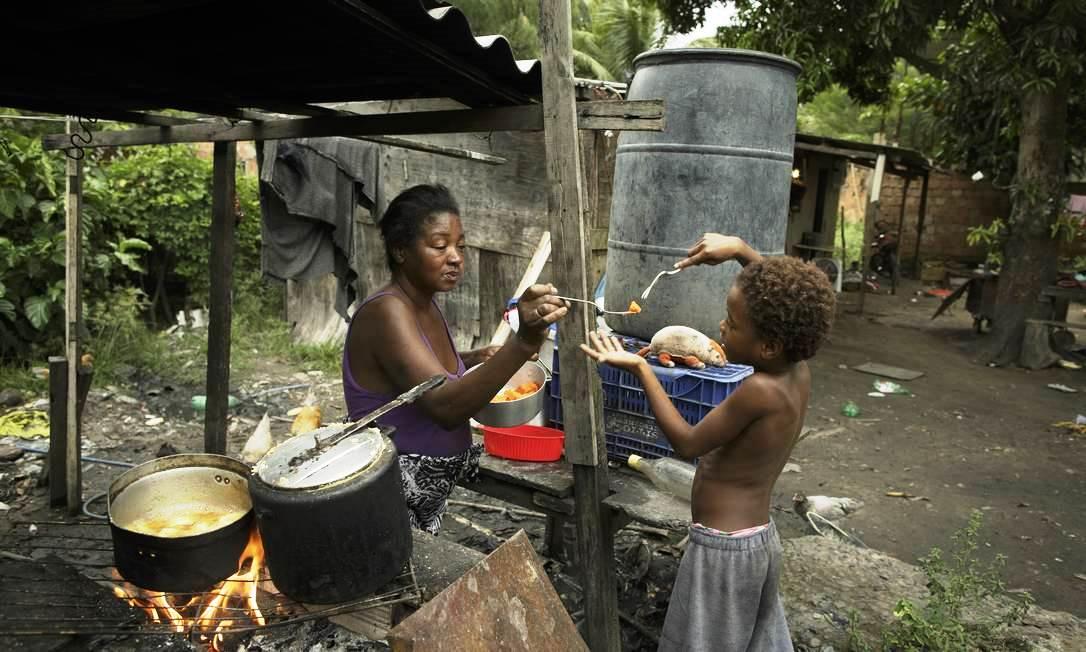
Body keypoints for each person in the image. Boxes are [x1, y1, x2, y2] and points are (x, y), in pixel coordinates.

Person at [580, 233, 836, 652]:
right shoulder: (796, 369)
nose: (721, 327)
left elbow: (687, 443)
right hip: (757, 542)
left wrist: (641, 370)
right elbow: (783, 297)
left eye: (732, 324)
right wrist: (739, 251)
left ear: (769, 345)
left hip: (724, 552)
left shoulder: (760, 392)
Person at [344, 184, 568, 534]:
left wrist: (473, 357)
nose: (456, 257)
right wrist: (521, 344)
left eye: (459, 246)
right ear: (401, 251)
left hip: (424, 492)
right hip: (388, 494)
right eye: (439, 245)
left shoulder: (424, 303)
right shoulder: (388, 312)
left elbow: (411, 375)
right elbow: (443, 407)